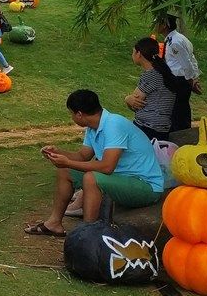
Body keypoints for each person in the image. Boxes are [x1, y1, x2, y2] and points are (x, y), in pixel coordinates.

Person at [25, 89, 163, 237]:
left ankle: (88, 234)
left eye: (71, 113)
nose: (72, 117)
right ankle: (54, 224)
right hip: (121, 179)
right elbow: (82, 156)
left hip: (146, 187)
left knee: (91, 178)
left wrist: (68, 162)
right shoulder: (93, 128)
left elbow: (107, 167)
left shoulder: (114, 125)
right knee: (65, 171)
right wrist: (59, 153)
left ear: (79, 114)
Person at [155, 15, 202, 131]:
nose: (155, 26)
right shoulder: (176, 39)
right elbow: (192, 59)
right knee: (180, 109)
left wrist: (191, 80)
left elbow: (186, 63)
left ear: (165, 25)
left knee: (178, 111)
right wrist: (194, 77)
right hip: (179, 79)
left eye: (157, 23)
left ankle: (180, 133)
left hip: (179, 80)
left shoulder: (175, 42)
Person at [124, 37, 177, 141]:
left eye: (133, 52)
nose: (132, 55)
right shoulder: (163, 72)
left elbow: (134, 104)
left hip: (148, 128)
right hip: (162, 128)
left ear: (139, 54)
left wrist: (127, 99)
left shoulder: (151, 75)